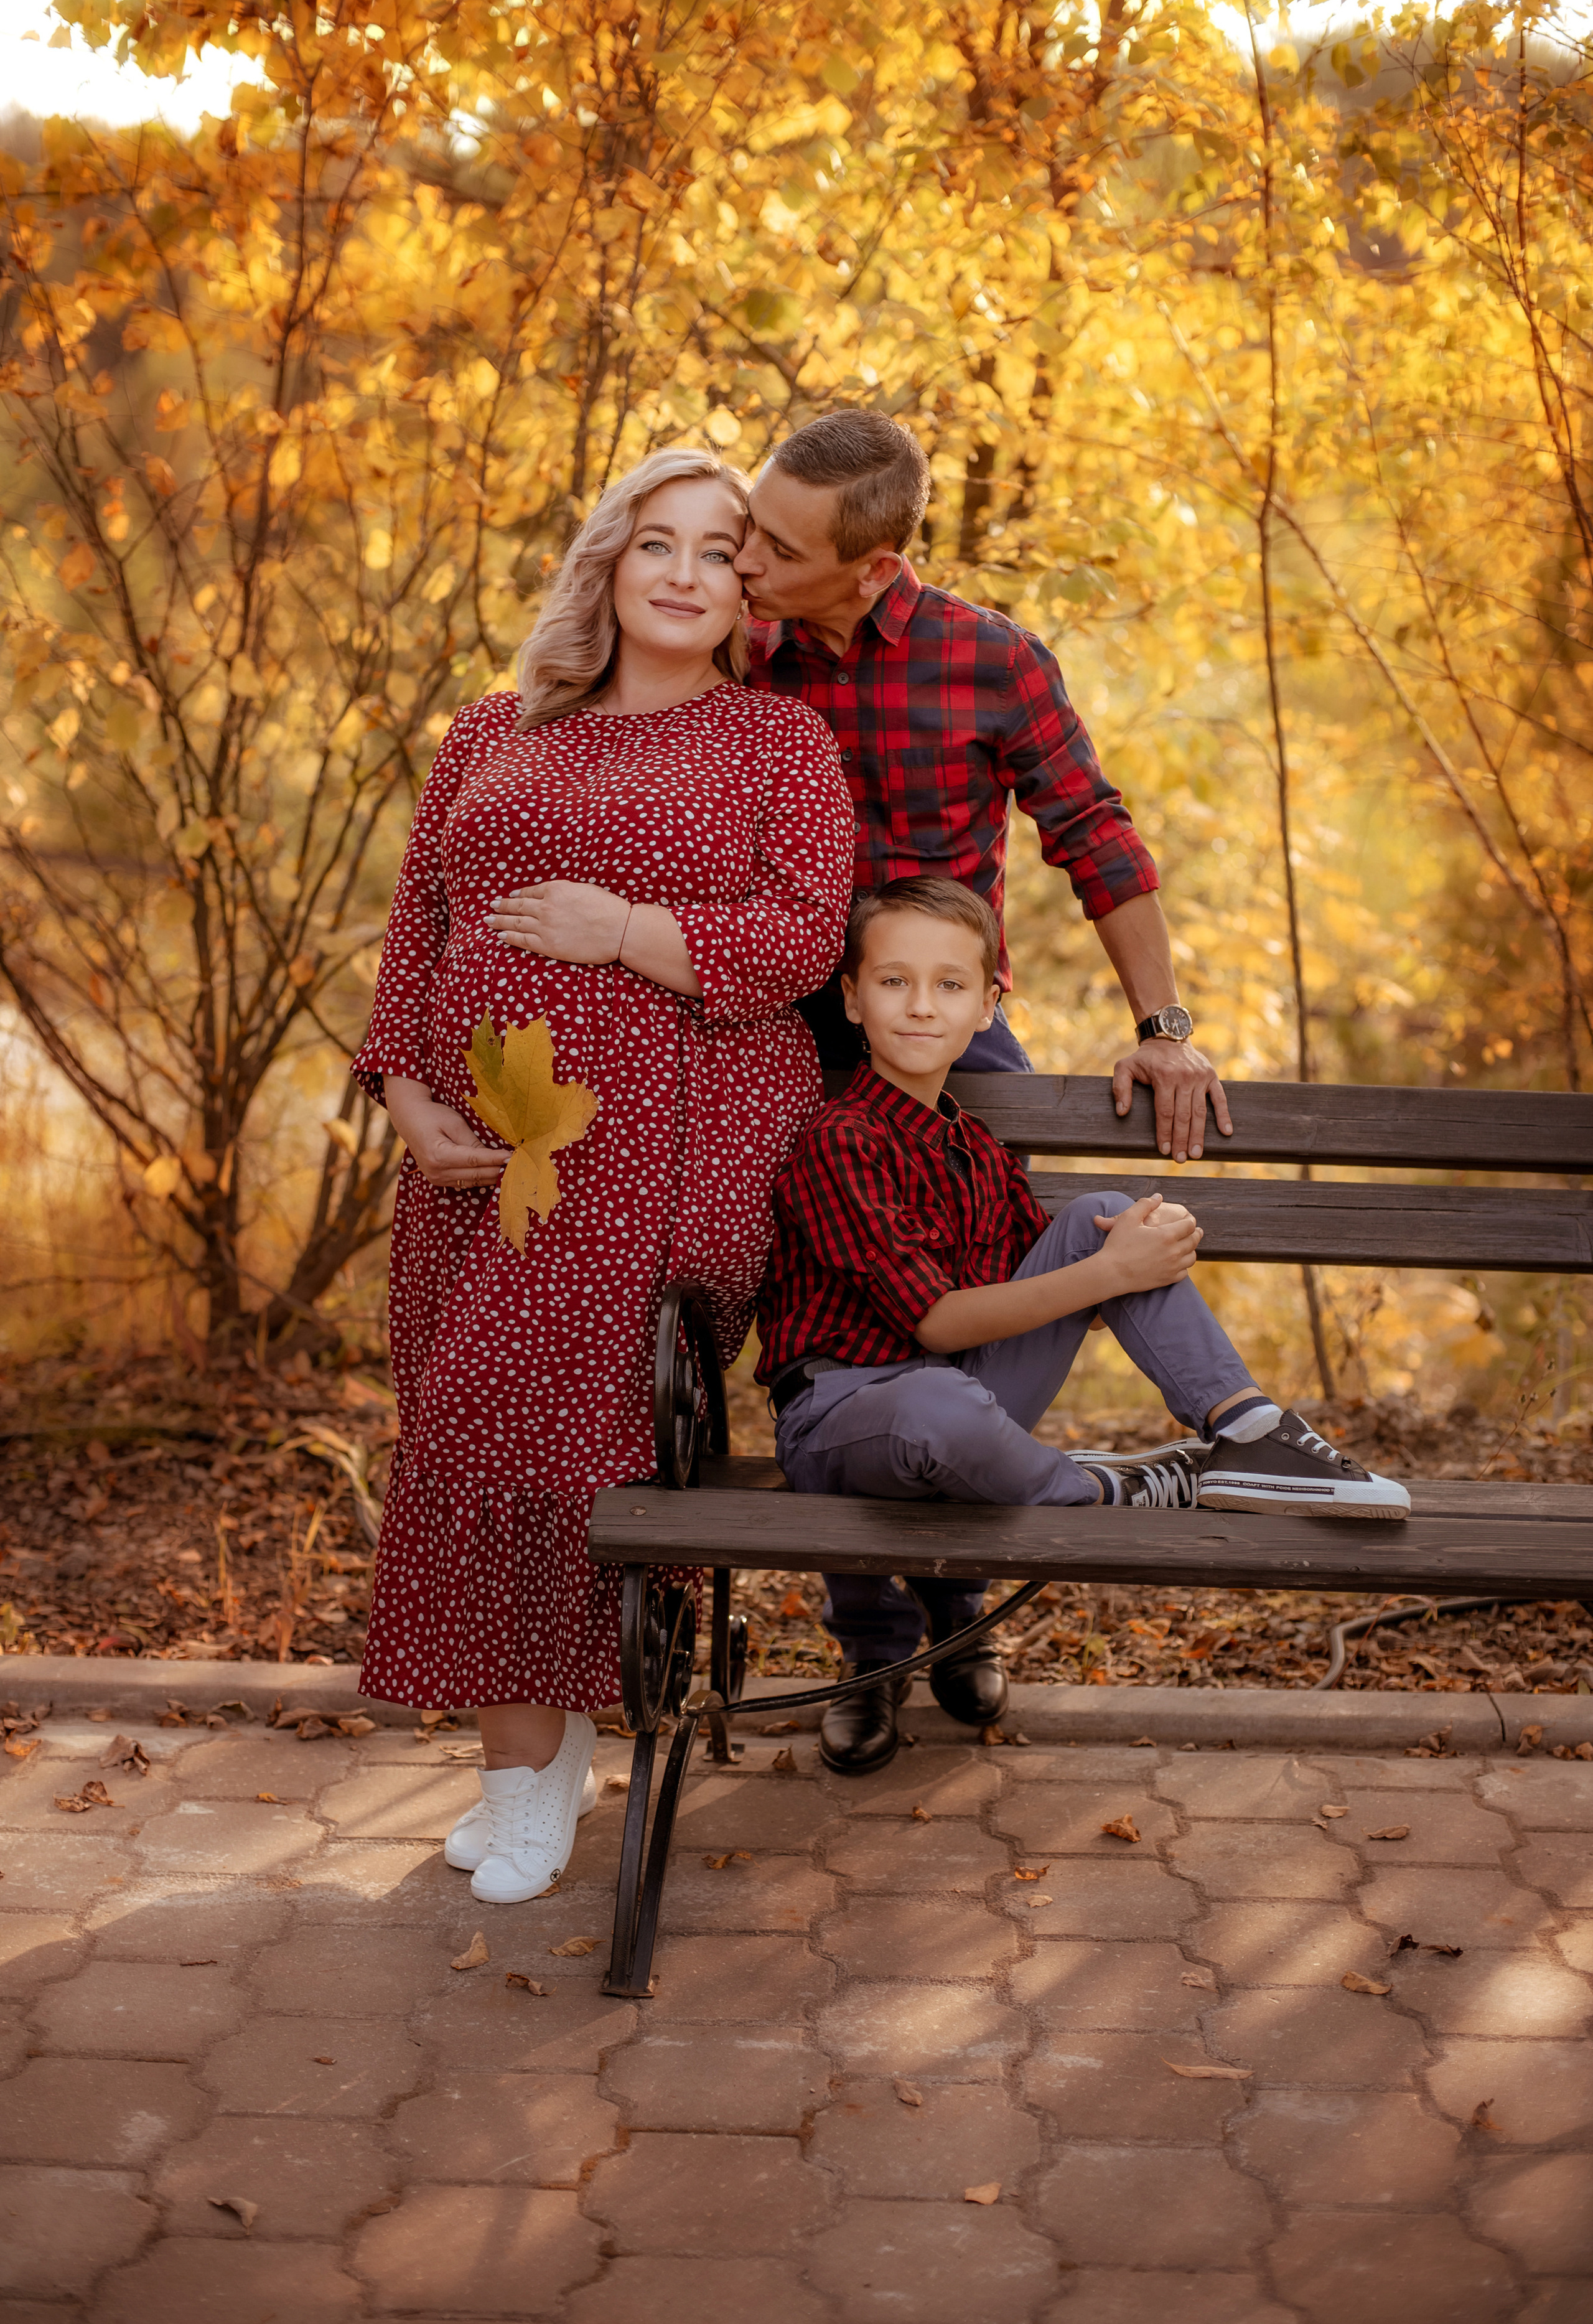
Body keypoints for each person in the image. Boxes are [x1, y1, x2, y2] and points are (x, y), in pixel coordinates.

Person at [351, 449, 853, 1901]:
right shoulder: (489, 731)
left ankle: (523, 1776)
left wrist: (622, 928)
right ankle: (543, 1743)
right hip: (473, 1150)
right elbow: (418, 925)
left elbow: (802, 938)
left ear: (744, 584)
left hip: (663, 1141)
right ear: (609, 566)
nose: (685, 573)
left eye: (717, 549)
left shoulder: (774, 745)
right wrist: (399, 1089)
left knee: (520, 1425)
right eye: (658, 545)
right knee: (477, 1420)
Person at [736, 408, 1234, 1759]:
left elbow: (1088, 826)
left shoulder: (987, 658)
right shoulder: (738, 652)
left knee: (954, 1312)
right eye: (748, 522)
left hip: (945, 1036)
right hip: (790, 1030)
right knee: (833, 1350)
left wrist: (1162, 1023)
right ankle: (872, 1650)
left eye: (776, 547)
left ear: (873, 564)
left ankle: (952, 1610)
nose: (743, 557)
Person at [755, 876, 1409, 1777]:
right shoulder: (840, 1138)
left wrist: (1136, 1259)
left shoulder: (980, 1154)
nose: (920, 1006)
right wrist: (1107, 1275)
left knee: (1104, 1209)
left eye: (950, 985)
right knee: (940, 1409)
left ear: (990, 1005)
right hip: (845, 1410)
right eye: (895, 981)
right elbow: (940, 1325)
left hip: (971, 1394)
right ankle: (1067, 1520)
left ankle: (1250, 1430)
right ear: (853, 999)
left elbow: (1057, 1298)